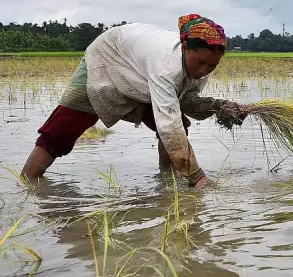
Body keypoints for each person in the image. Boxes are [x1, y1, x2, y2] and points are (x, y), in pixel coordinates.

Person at [20, 14, 249, 189]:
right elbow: (169, 127)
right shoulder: (165, 67)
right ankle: (26, 184)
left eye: (212, 66)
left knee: (179, 124)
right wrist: (197, 177)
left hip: (141, 70)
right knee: (62, 129)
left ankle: (167, 183)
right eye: (199, 63)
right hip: (109, 57)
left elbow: (186, 101)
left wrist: (220, 107)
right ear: (185, 47)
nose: (203, 70)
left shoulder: (198, 65)